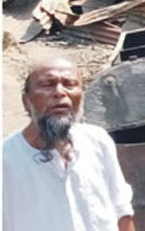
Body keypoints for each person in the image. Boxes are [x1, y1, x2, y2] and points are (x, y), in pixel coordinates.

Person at [4, 58, 135, 231]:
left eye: (70, 84)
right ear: (26, 101)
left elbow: (121, 211)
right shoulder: (6, 159)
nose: (60, 92)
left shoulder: (97, 141)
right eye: (47, 85)